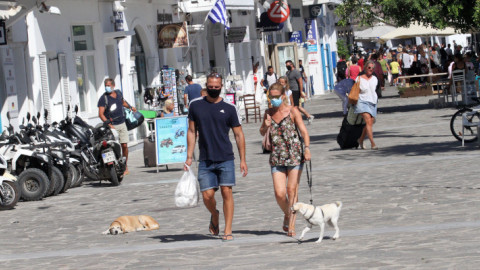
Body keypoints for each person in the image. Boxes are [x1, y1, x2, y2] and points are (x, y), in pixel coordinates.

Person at [185, 72, 248, 242]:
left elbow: (239, 135)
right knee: (207, 196)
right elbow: (192, 131)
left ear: (221, 87)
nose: (213, 89)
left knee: (227, 192)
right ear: (206, 86)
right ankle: (214, 214)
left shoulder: (229, 108)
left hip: (225, 157)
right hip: (205, 158)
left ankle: (228, 230)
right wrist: (189, 156)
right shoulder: (195, 106)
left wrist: (243, 159)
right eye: (210, 87)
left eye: (216, 87)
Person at [259, 82, 311, 237]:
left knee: (291, 189)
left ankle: (292, 225)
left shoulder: (293, 111)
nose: (273, 99)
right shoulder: (268, 112)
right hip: (277, 156)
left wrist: (307, 148)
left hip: (294, 154)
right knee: (279, 193)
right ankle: (288, 213)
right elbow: (262, 132)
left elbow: (304, 132)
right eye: (271, 96)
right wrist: (265, 126)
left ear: (282, 96)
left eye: (276, 96)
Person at [98, 78, 136, 175]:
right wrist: (109, 124)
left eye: (109, 85)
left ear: (113, 86)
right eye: (106, 86)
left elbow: (123, 102)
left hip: (122, 123)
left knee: (124, 145)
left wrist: (130, 107)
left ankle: (125, 165)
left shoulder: (118, 94)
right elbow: (101, 114)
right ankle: (114, 166)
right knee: (114, 146)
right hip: (112, 126)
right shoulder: (103, 98)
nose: (107, 87)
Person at [355, 61, 379, 150]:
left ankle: (360, 140)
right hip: (362, 101)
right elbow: (355, 91)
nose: (371, 70)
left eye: (372, 68)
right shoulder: (359, 79)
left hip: (373, 102)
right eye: (369, 68)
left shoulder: (375, 79)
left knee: (370, 122)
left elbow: (375, 90)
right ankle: (372, 143)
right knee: (368, 120)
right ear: (365, 68)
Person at [285, 60, 314, 124]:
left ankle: (300, 118)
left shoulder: (296, 72)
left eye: (288, 65)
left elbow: (300, 82)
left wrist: (301, 91)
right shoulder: (288, 72)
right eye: (286, 66)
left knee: (295, 106)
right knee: (295, 106)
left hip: (295, 90)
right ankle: (308, 116)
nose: (287, 67)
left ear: (291, 65)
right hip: (290, 91)